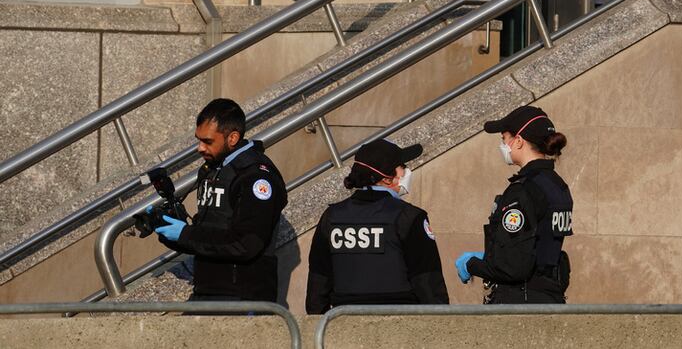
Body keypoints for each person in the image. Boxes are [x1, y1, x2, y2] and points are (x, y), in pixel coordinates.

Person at [151, 98, 287, 303]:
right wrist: (170, 232)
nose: (200, 148)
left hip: (243, 296)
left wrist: (185, 233)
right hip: (207, 290)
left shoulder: (256, 176)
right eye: (198, 140)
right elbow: (208, 234)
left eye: (208, 141)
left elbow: (245, 244)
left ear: (232, 138)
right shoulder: (213, 170)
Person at [305, 138, 449, 313]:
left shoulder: (332, 217)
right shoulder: (409, 217)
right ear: (387, 179)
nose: (407, 171)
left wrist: (319, 325)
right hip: (401, 321)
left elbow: (318, 285)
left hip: (344, 320)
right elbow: (428, 282)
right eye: (402, 167)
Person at [454, 105, 573, 304]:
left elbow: (512, 268)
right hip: (549, 297)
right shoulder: (557, 185)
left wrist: (472, 264)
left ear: (518, 141)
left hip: (521, 301)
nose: (502, 145)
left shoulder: (524, 189)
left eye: (504, 139)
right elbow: (538, 246)